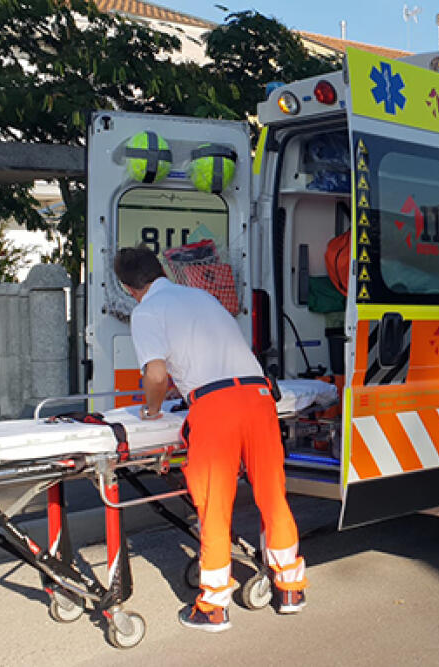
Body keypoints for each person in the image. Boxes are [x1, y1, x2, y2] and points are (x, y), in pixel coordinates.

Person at [113, 244, 307, 633]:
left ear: (127, 287)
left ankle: (213, 607)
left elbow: (155, 375)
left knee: (214, 504)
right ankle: (290, 588)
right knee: (272, 493)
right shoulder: (200, 295)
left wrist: (152, 409)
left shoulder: (147, 311)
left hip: (216, 408)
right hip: (258, 397)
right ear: (161, 270)